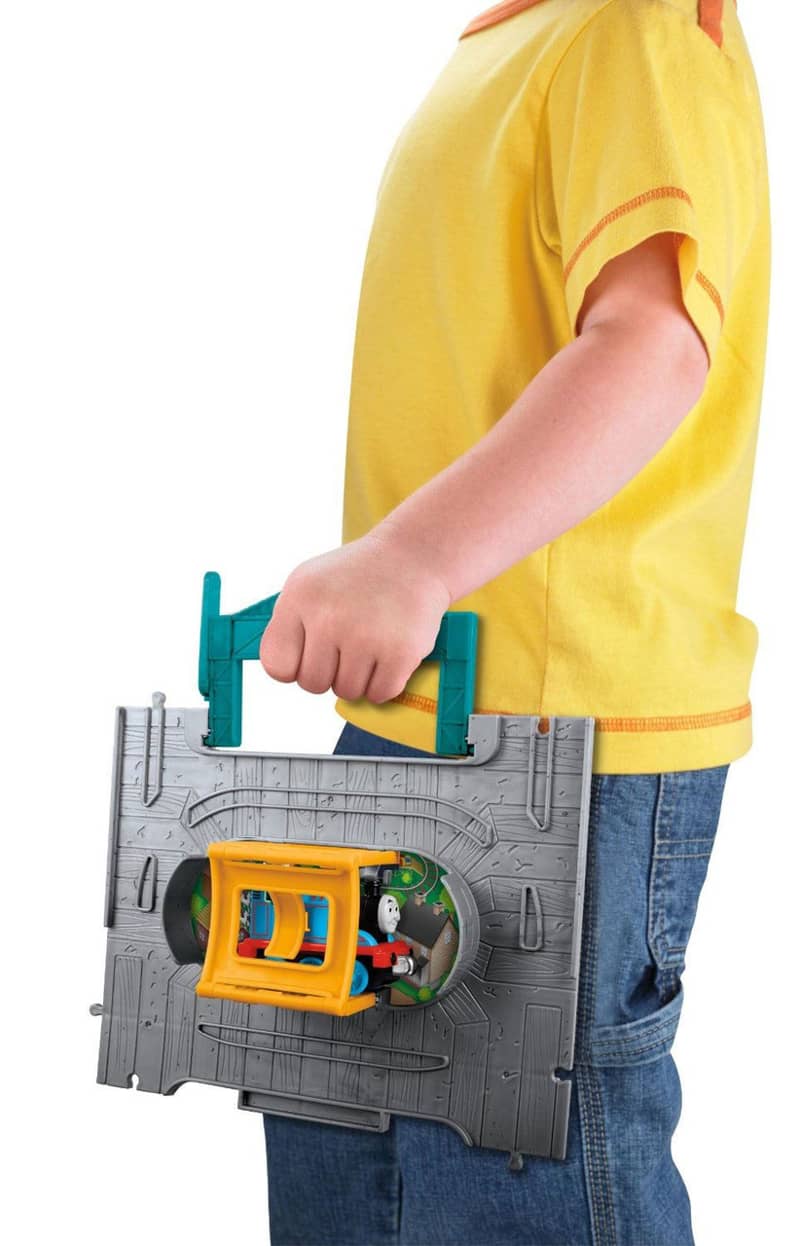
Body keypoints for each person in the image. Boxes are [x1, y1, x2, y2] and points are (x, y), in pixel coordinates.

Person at [258, 1, 770, 1242]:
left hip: (550, 735)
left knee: (513, 1179)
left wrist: (410, 558)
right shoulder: (510, 43)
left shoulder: (629, 26)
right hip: (422, 705)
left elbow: (651, 342)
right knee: (352, 1156)